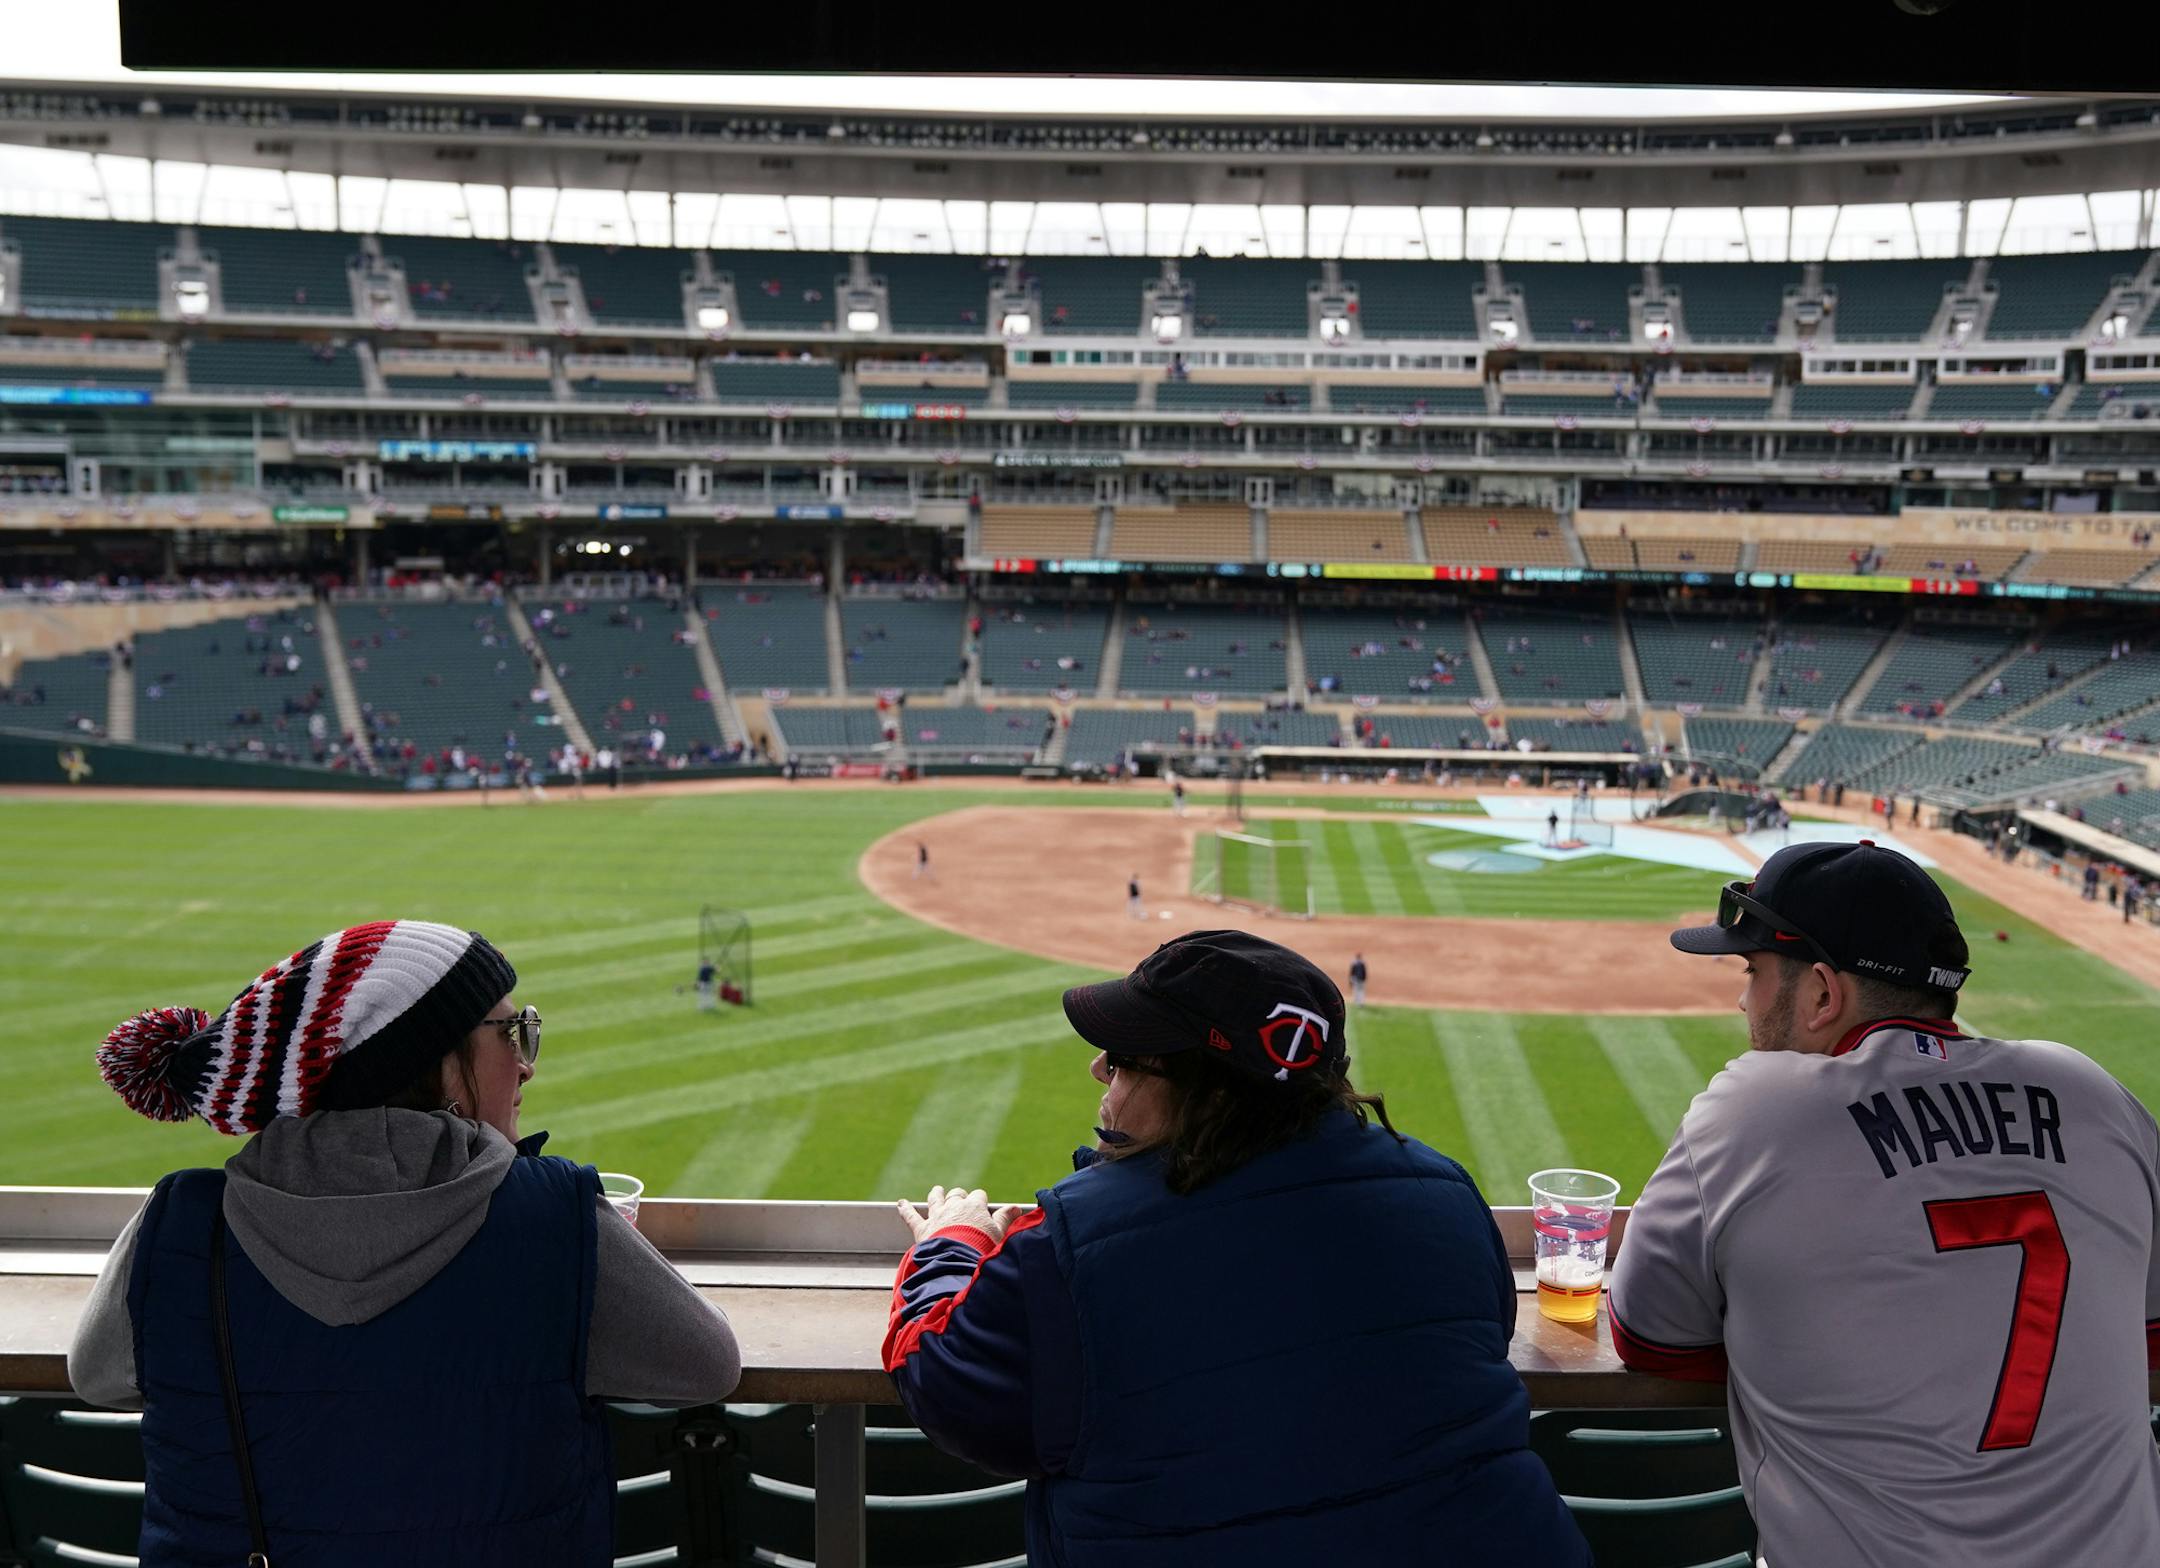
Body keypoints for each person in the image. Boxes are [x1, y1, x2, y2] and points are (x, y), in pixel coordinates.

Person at [883, 932, 1590, 1567]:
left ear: (1215, 1098)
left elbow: (945, 1385)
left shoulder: (1070, 1247)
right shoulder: (1447, 1196)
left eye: (1131, 1060)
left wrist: (952, 1242)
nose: (1101, 1069)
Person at [70, 921, 742, 1565]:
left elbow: (96, 1377)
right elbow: (706, 1366)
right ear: (440, 1065)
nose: (526, 1064)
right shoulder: (554, 1216)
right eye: (513, 1032)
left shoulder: (183, 1226)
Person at [1611, 842, 2160, 1567]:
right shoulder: (2094, 1093)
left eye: (1754, 973)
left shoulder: (1755, 1113)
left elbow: (1648, 1337)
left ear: (1821, 995)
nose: (1742, 1000)